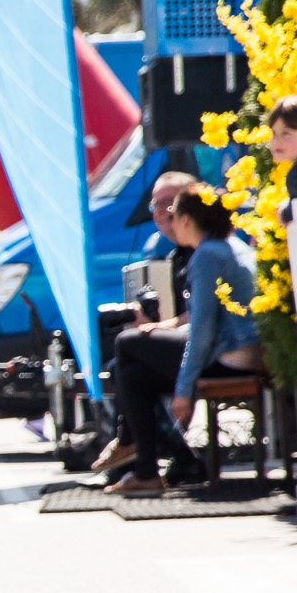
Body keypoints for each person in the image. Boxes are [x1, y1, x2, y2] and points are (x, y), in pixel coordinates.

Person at [107, 184, 262, 494]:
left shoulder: (207, 256)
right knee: (134, 376)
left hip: (231, 357)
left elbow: (203, 330)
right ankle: (146, 471)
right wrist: (165, 329)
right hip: (240, 351)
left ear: (188, 219)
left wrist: (183, 390)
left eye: (173, 214)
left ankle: (128, 442)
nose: (170, 221)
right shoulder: (229, 246)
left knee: (127, 343)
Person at [91, 171, 200, 477]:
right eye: (156, 204)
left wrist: (159, 328)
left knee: (129, 346)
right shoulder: (177, 254)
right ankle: (156, 465)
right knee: (128, 370)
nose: (163, 211)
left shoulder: (203, 251)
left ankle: (131, 447)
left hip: (215, 349)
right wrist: (153, 321)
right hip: (194, 343)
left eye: (171, 202)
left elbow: (205, 316)